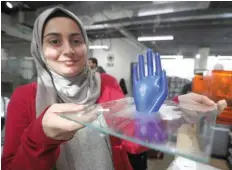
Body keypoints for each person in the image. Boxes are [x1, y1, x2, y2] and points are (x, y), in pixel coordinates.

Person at [1, 6, 226, 170]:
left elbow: (132, 145)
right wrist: (42, 137)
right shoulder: (25, 98)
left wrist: (166, 109)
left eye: (76, 40)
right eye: (54, 41)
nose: (68, 49)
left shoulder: (105, 83)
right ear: (39, 49)